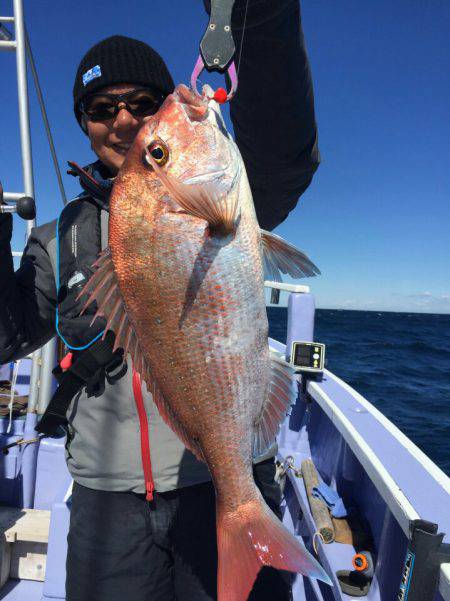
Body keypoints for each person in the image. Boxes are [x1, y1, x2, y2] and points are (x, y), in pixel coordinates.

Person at [0, 1, 319, 599]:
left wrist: (262, 13)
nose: (123, 121)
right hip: (106, 505)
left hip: (221, 476)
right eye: (101, 109)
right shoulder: (60, 239)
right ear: (84, 123)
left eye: (142, 106)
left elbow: (284, 151)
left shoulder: (226, 198)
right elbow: (6, 338)